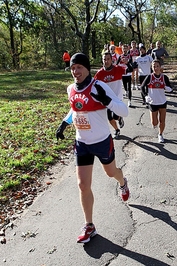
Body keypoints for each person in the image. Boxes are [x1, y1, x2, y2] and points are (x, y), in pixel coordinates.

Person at [55, 53, 130, 244]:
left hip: (102, 141)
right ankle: (89, 225)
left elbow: (124, 110)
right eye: (72, 68)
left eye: (79, 67)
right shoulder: (70, 88)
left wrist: (107, 101)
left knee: (111, 172)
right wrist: (65, 123)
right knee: (82, 185)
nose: (75, 71)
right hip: (82, 144)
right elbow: (76, 108)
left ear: (87, 68)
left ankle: (122, 181)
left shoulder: (98, 86)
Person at [94, 52, 133, 138]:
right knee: (110, 117)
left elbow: (130, 70)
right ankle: (117, 130)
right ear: (102, 60)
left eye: (108, 59)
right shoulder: (99, 73)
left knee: (115, 116)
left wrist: (128, 63)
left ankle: (120, 118)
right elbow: (94, 85)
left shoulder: (117, 69)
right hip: (107, 99)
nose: (106, 61)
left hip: (117, 97)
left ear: (112, 60)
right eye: (104, 59)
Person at [140, 59, 173, 143]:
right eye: (154, 66)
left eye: (157, 66)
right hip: (153, 102)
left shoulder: (164, 77)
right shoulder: (149, 77)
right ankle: (155, 124)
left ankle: (160, 134)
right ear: (151, 67)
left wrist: (168, 88)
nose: (156, 68)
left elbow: (171, 88)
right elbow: (142, 87)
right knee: (155, 123)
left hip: (162, 102)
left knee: (162, 121)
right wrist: (146, 96)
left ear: (160, 67)